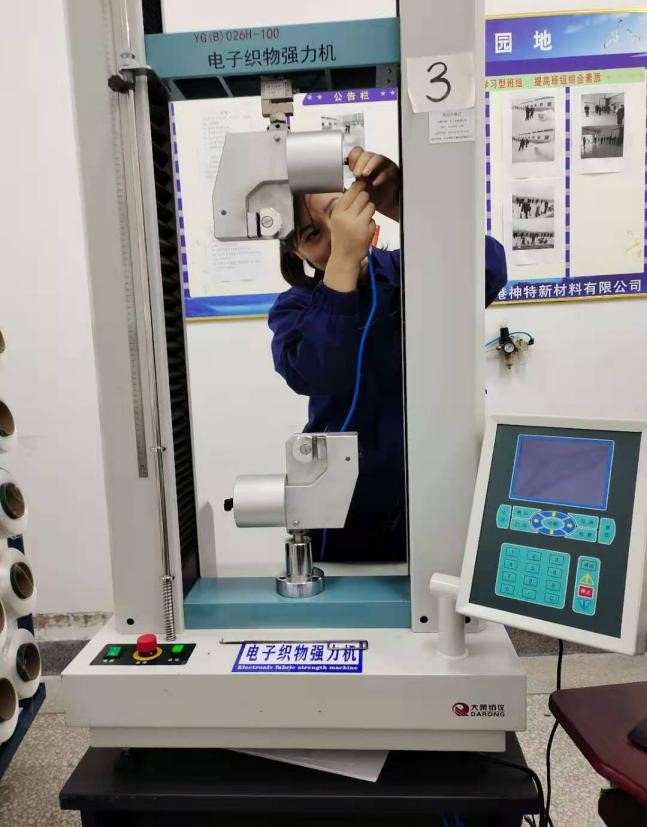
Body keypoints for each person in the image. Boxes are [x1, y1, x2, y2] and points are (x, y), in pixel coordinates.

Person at [269, 148, 507, 563]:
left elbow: (488, 267)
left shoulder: (409, 272)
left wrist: (404, 204)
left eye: (339, 213)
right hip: (344, 507)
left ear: (363, 205)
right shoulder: (294, 308)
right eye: (313, 236)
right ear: (296, 254)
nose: (336, 236)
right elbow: (317, 372)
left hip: (434, 487)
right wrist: (342, 264)